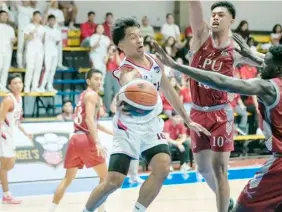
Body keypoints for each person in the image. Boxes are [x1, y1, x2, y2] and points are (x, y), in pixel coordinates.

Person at [82, 17, 209, 212]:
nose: (139, 40)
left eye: (140, 36)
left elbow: (168, 90)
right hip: (128, 128)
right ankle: (86, 210)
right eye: (133, 37)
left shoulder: (154, 60)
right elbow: (127, 80)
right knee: (114, 182)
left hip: (151, 126)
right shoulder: (127, 69)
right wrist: (128, 89)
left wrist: (187, 119)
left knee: (163, 166)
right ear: (121, 45)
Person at [153, 33, 282, 212]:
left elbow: (222, 81)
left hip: (279, 164)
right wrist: (251, 54)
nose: (261, 65)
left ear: (278, 69)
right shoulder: (275, 76)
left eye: (266, 62)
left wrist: (176, 66)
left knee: (242, 207)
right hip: (276, 156)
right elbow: (268, 62)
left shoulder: (267, 86)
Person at [180, 1, 264, 211]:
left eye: (220, 15)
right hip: (197, 112)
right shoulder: (200, 37)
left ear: (231, 20)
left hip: (220, 113)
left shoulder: (236, 50)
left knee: (219, 169)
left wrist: (252, 53)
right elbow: (193, 4)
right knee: (203, 169)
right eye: (213, 14)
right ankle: (226, 201)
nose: (215, 17)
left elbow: (269, 62)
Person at [49, 69, 109, 212]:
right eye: (96, 79)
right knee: (107, 178)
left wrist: (111, 132)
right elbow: (89, 119)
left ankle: (51, 209)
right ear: (88, 81)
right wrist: (97, 142)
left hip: (75, 138)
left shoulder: (83, 95)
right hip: (85, 139)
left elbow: (92, 121)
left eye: (101, 79)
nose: (99, 82)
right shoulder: (93, 95)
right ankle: (100, 209)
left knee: (67, 179)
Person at [0, 73, 32, 204]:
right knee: (4, 166)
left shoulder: (20, 98)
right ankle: (7, 195)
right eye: (15, 83)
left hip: (11, 136)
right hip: (4, 136)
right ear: (9, 86)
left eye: (20, 82)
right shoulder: (8, 100)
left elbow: (16, 121)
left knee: (9, 165)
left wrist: (25, 133)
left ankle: (5, 189)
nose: (18, 85)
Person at [24, 11, 45, 93]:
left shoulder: (43, 28)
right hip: (30, 48)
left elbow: (43, 39)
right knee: (30, 67)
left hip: (40, 49)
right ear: (33, 17)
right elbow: (26, 37)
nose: (38, 17)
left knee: (38, 68)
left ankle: (34, 86)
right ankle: (27, 86)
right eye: (36, 16)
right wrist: (33, 30)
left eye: (39, 16)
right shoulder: (28, 26)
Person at [39, 14, 61, 92]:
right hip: (47, 51)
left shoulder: (57, 31)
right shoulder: (44, 29)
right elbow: (42, 40)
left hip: (54, 52)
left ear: (55, 21)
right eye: (51, 20)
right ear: (48, 21)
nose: (52, 22)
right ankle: (42, 86)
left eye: (53, 20)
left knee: (52, 70)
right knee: (47, 69)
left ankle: (49, 86)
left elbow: (57, 42)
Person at [0, 10, 16, 92]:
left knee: (5, 69)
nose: (4, 17)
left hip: (8, 51)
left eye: (6, 15)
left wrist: (14, 41)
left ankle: (2, 86)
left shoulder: (10, 28)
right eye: (2, 15)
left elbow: (13, 40)